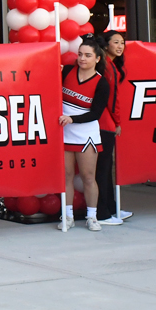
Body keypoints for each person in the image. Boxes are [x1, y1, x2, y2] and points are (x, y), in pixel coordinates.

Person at [59, 41, 109, 232]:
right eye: (80, 54)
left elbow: (95, 113)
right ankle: (68, 215)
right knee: (66, 176)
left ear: (97, 59)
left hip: (85, 133)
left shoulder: (101, 83)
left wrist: (72, 118)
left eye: (87, 55)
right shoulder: (67, 72)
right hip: (64, 130)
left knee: (88, 177)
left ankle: (92, 216)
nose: (82, 58)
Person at [95, 32, 130, 224]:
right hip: (104, 124)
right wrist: (117, 123)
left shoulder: (109, 66)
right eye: (116, 42)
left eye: (122, 43)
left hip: (101, 122)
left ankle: (110, 208)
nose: (120, 46)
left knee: (105, 169)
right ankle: (103, 212)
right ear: (106, 45)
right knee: (103, 169)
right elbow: (112, 99)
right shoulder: (108, 67)